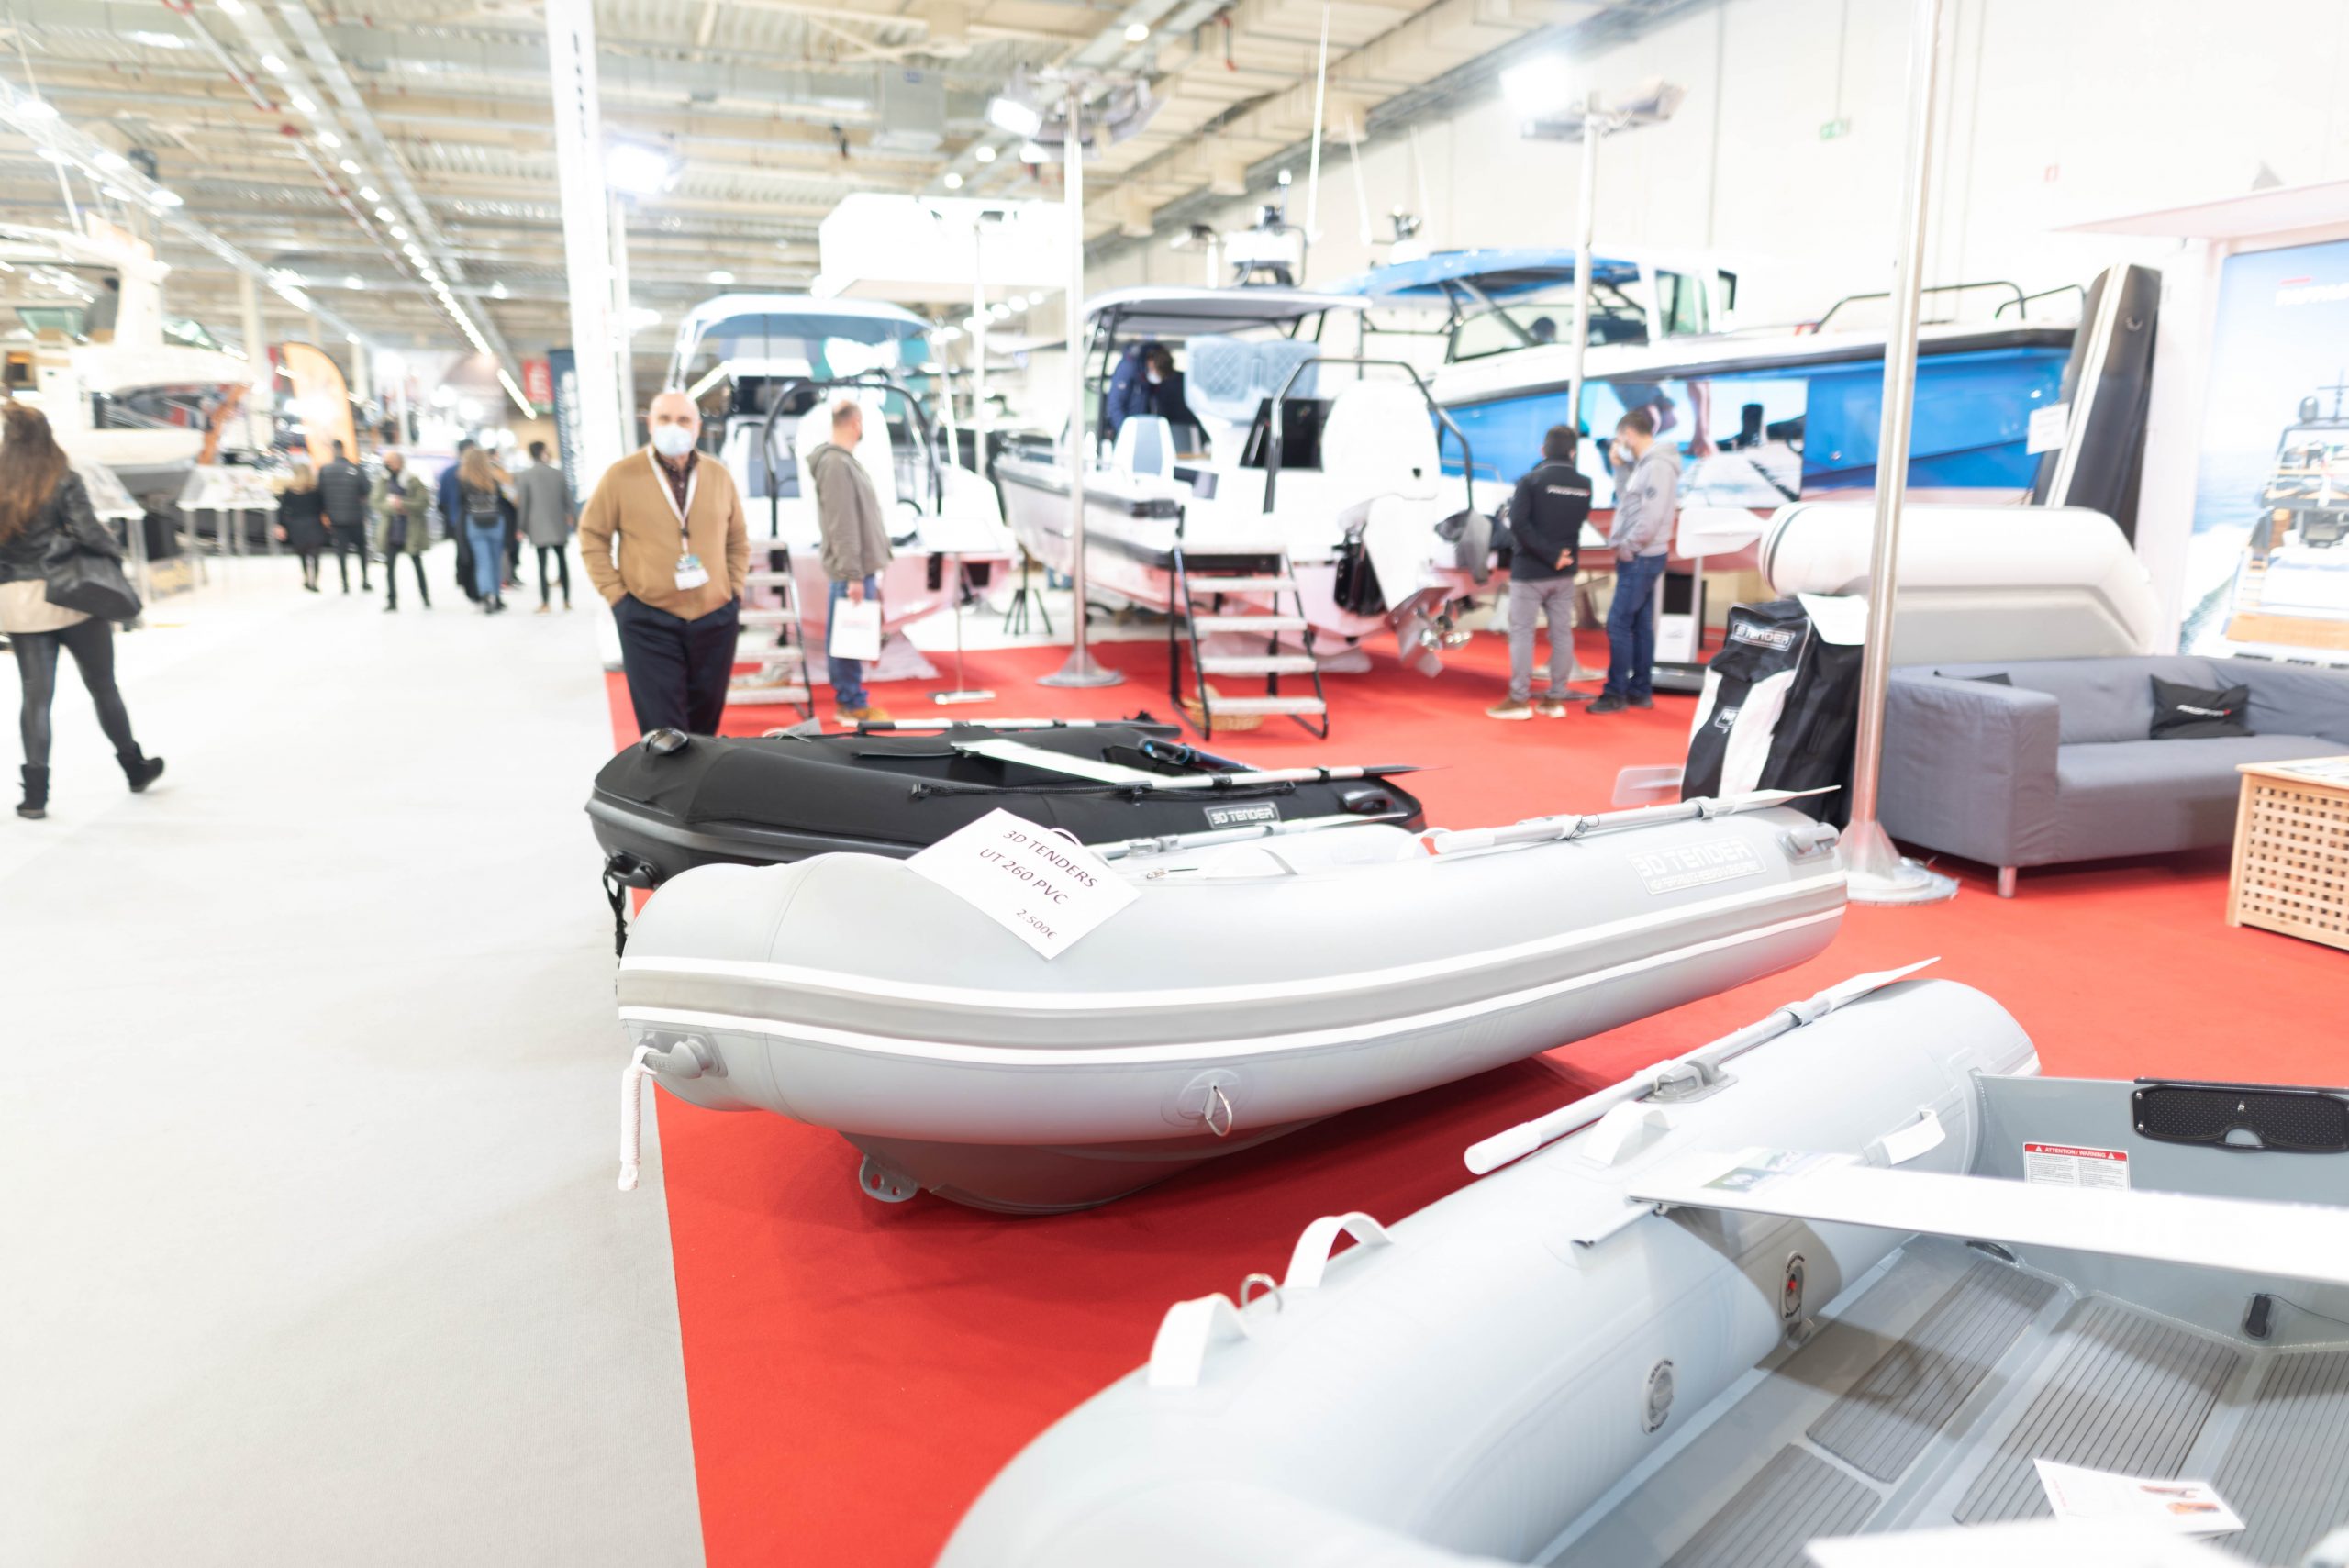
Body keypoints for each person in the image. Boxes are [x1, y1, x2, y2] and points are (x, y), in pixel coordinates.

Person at [0, 402, 163, 818]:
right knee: (103, 686)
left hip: (19, 601)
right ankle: (134, 768)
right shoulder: (62, 478)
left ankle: (34, 795)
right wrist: (112, 552)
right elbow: (89, 533)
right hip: (72, 596)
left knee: (35, 697)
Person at [579, 390, 748, 736]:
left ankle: (699, 775)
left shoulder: (719, 476)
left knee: (705, 726)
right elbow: (592, 536)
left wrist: (734, 589)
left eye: (684, 419)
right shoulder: (621, 476)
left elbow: (737, 539)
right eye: (665, 419)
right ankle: (666, 777)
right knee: (663, 731)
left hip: (714, 616)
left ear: (697, 427)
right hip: (648, 618)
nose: (675, 427)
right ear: (650, 425)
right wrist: (616, 595)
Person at [1486, 426, 1591, 721]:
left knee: (1522, 633)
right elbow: (1575, 524)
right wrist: (1560, 556)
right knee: (1562, 635)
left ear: (1542, 451)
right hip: (1564, 572)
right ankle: (1555, 699)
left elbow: (1518, 524)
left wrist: (1549, 554)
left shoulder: (1530, 481)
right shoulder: (1585, 484)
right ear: (1572, 452)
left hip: (1530, 571)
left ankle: (1519, 700)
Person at [806, 397, 893, 724]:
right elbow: (843, 524)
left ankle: (852, 698)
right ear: (856, 424)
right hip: (851, 570)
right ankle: (851, 702)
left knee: (852, 636)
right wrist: (853, 574)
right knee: (848, 637)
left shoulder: (841, 462)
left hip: (855, 568)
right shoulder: (836, 464)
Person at [1587, 406, 1679, 716]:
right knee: (1639, 625)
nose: (1618, 444)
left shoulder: (1657, 465)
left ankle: (1615, 693)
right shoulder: (1646, 465)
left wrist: (1629, 546)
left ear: (1628, 434)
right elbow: (1629, 501)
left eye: (1619, 438)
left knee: (1618, 624)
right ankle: (1639, 691)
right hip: (1642, 555)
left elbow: (1650, 516)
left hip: (1641, 556)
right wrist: (1618, 467)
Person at [514, 440, 574, 613]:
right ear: (543, 452)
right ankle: (566, 601)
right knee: (562, 561)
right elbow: (568, 499)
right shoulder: (558, 473)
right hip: (558, 523)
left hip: (537, 526)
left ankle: (545, 603)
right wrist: (573, 518)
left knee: (542, 565)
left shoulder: (525, 475)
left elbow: (524, 504)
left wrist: (521, 527)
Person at [372, 450, 434, 611]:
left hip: (411, 530)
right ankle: (391, 600)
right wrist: (393, 507)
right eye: (386, 461)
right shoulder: (383, 481)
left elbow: (424, 503)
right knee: (389, 568)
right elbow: (376, 502)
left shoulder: (413, 480)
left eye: (390, 461)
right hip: (391, 531)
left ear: (399, 462)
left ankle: (425, 597)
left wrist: (404, 504)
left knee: (417, 565)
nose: (387, 465)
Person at [453, 446, 511, 613]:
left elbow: (460, 505)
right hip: (495, 522)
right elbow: (504, 499)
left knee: (482, 562)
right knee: (495, 561)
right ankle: (497, 598)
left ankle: (486, 595)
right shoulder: (493, 478)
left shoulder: (463, 480)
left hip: (474, 524)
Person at [316, 439, 373, 593]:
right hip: (356, 517)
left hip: (336, 519)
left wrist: (325, 513)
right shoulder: (356, 469)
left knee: (341, 551)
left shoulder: (324, 471)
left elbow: (320, 494)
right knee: (362, 549)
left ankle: (345, 584)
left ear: (332, 450)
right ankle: (365, 580)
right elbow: (367, 490)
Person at [275, 462, 328, 593]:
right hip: (314, 524)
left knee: (302, 554)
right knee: (315, 555)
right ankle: (314, 581)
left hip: (296, 526)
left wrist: (281, 525)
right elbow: (323, 507)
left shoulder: (289, 491)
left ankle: (306, 578)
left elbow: (282, 510)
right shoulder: (316, 490)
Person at [440, 439, 478, 601]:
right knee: (470, 553)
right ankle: (470, 585)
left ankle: (464, 580)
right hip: (470, 519)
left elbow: (441, 501)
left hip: (459, 519)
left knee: (463, 551)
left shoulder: (449, 472)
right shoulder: (470, 472)